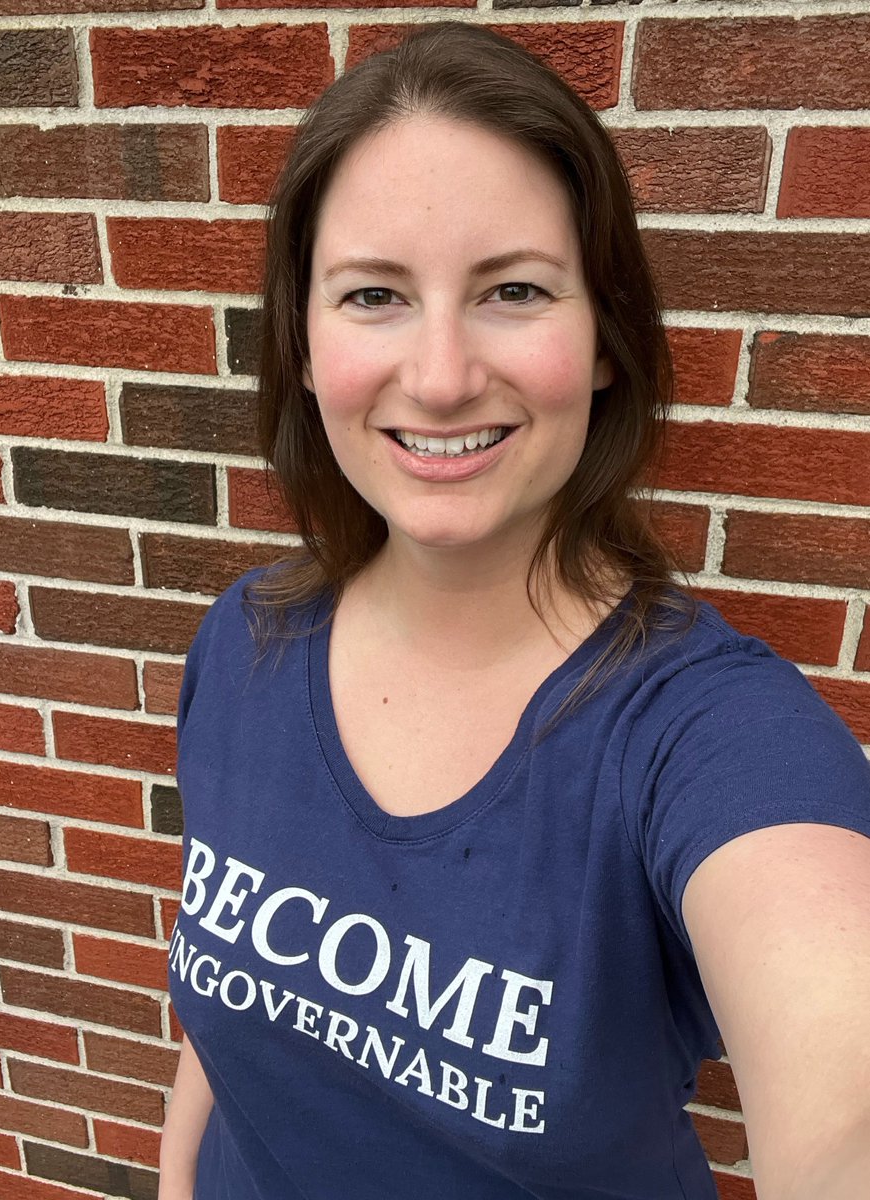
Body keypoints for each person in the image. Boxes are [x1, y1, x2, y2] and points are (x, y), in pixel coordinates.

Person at [159, 22, 870, 1200]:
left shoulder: (702, 739)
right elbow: (217, 1020)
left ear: (602, 339)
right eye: (374, 293)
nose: (439, 376)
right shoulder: (242, 640)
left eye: (515, 290)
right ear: (302, 334)